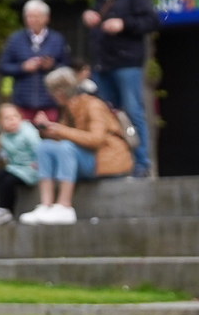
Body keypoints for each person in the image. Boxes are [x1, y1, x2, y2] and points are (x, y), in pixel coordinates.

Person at [19, 67, 132, 225]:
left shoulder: (94, 105)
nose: (51, 97)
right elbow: (63, 137)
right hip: (85, 159)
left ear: (60, 92)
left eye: (51, 92)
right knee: (44, 147)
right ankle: (45, 205)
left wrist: (60, 129)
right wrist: (46, 129)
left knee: (66, 147)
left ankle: (65, 207)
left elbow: (96, 140)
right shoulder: (68, 109)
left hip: (106, 162)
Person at [83, 0, 158, 176]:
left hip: (127, 62)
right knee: (106, 113)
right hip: (103, 61)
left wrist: (123, 24)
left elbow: (152, 21)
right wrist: (90, 16)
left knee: (133, 111)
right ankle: (115, 161)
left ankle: (141, 163)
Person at [0, 0, 68, 122]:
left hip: (49, 101)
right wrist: (22, 67)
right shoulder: (15, 39)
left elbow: (66, 68)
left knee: (50, 138)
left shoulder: (57, 39)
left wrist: (51, 66)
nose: (32, 20)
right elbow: (2, 66)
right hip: (22, 102)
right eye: (28, 17)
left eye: (36, 16)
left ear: (46, 17)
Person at [0, 103, 40, 226]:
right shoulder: (3, 138)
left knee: (9, 181)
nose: (12, 120)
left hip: (30, 169)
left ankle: (7, 210)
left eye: (15, 116)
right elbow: (5, 157)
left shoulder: (28, 131)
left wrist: (38, 163)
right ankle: (2, 209)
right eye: (7, 118)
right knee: (0, 175)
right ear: (1, 122)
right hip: (15, 168)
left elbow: (39, 149)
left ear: (21, 117)